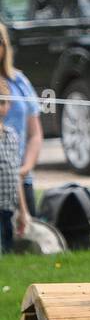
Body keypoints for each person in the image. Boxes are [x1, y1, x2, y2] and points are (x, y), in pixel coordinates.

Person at [0, 21, 42, 220]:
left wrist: (24, 169)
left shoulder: (19, 81)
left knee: (27, 243)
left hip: (21, 179)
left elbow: (35, 133)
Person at [0, 122, 30, 254]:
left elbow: (16, 175)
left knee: (8, 247)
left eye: (5, 102)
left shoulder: (11, 135)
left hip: (8, 206)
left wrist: (23, 211)